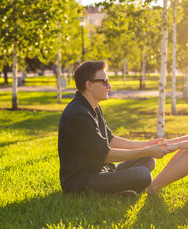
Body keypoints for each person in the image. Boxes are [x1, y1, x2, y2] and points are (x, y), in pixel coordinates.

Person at [58, 61, 168, 195]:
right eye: (104, 82)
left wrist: (145, 145)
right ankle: (117, 191)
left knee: (148, 160)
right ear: (89, 85)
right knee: (143, 174)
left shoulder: (93, 106)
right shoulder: (78, 114)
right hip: (82, 181)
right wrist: (146, 150)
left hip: (102, 170)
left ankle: (119, 190)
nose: (109, 86)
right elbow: (105, 155)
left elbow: (110, 140)